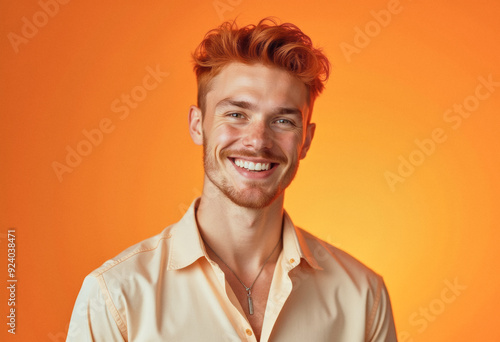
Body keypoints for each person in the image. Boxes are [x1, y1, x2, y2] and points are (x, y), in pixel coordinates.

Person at [67, 17, 397, 341]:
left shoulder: (364, 297)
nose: (257, 141)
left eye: (282, 120)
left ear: (306, 140)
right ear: (198, 125)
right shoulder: (115, 297)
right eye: (236, 114)